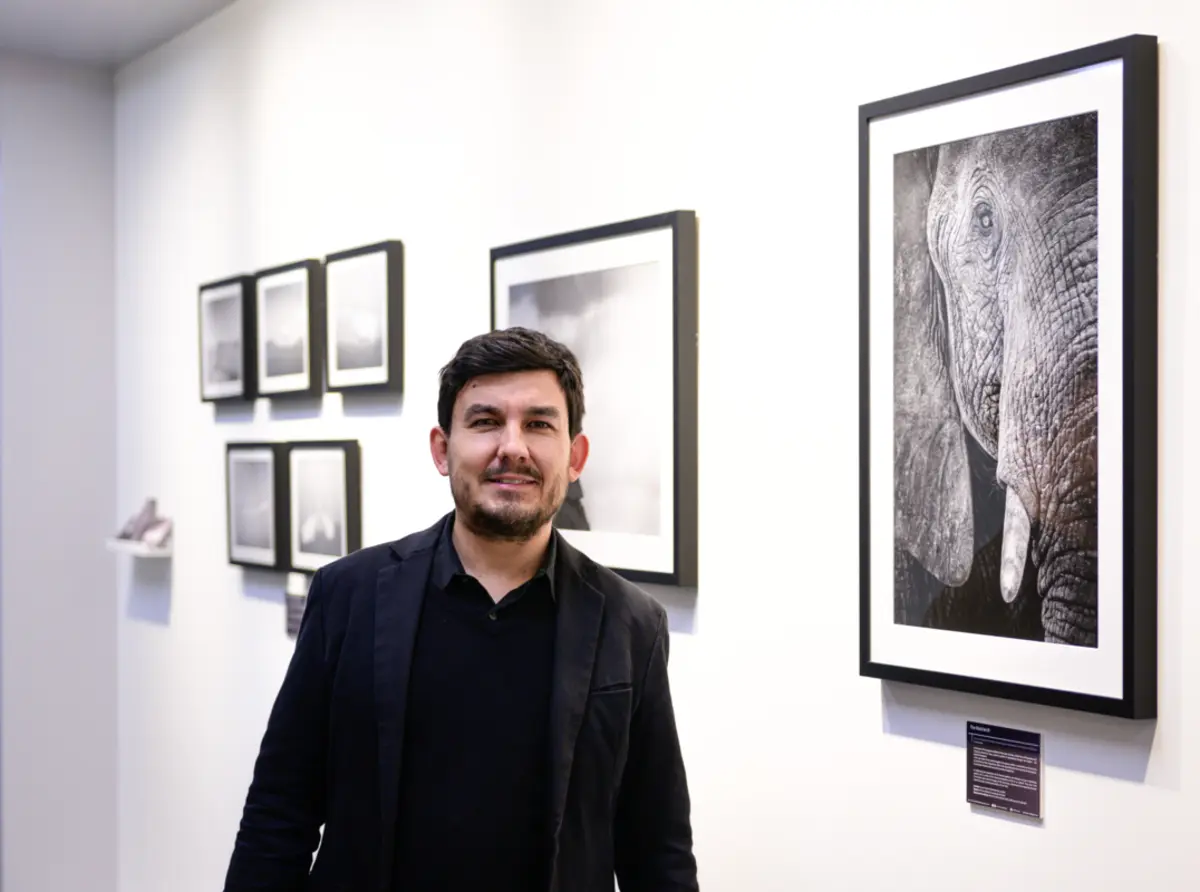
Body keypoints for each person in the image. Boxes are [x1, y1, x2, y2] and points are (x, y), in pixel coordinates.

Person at [223, 326, 699, 892]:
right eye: (485, 421)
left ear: (575, 456)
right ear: (442, 449)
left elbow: (657, 853)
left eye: (539, 423)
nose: (513, 447)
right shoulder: (347, 597)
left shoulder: (632, 626)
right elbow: (279, 815)